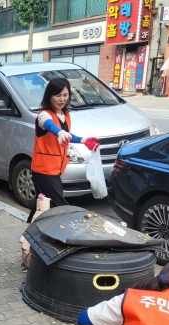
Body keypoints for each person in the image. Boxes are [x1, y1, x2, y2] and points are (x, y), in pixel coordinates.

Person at [27, 77, 100, 222]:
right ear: (49, 96)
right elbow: (49, 125)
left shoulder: (65, 114)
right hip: (44, 170)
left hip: (55, 169)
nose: (62, 99)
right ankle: (66, 234)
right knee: (59, 206)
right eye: (57, 95)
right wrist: (59, 132)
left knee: (42, 204)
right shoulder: (44, 114)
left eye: (65, 95)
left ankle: (27, 240)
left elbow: (66, 134)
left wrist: (83, 140)